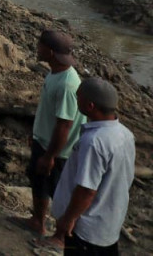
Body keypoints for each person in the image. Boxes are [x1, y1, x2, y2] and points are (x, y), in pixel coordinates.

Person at [51, 78, 135, 253]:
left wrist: (68, 219)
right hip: (109, 223)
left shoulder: (94, 142)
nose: (75, 99)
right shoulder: (125, 134)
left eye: (78, 97)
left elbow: (87, 190)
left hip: (86, 228)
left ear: (90, 106)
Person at [21, 30, 86, 239]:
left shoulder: (67, 85)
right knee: (38, 181)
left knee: (59, 191)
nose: (37, 49)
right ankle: (37, 222)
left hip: (59, 151)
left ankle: (62, 237)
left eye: (40, 46)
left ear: (49, 52)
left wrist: (49, 156)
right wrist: (37, 134)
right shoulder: (55, 72)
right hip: (45, 141)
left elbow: (64, 126)